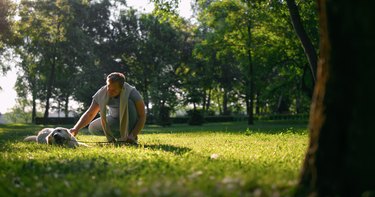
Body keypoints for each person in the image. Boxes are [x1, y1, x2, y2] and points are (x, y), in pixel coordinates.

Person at [70, 72, 146, 144]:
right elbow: (90, 113)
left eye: (114, 90)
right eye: (108, 87)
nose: (110, 92)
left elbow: (142, 116)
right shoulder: (101, 93)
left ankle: (129, 136)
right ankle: (121, 137)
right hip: (114, 119)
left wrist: (133, 135)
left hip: (131, 120)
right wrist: (76, 128)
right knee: (92, 127)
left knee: (129, 102)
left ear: (121, 88)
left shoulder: (132, 92)